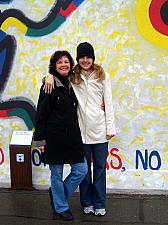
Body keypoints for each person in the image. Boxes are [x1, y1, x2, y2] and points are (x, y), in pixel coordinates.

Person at [44, 42, 116, 216]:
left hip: (99, 131)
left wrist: (110, 128)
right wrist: (48, 76)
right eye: (81, 57)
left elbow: (109, 102)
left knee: (99, 170)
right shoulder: (73, 76)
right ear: (77, 59)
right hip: (80, 134)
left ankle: (99, 203)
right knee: (84, 171)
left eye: (88, 57)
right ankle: (87, 202)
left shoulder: (102, 75)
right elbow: (57, 75)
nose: (85, 60)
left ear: (93, 58)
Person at [33, 50, 87, 221]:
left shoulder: (74, 83)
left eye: (66, 61)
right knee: (56, 174)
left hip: (72, 137)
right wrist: (40, 140)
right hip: (54, 138)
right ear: (54, 66)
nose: (64, 64)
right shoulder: (48, 85)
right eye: (59, 62)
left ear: (71, 64)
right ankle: (62, 207)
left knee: (81, 169)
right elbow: (41, 114)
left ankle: (57, 196)